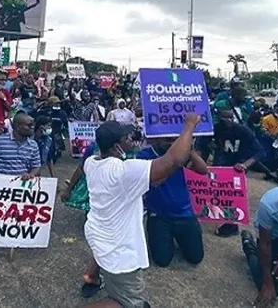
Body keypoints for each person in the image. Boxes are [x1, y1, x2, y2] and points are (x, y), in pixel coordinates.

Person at [82, 115, 199, 307]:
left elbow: (156, 176)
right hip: (119, 249)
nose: (132, 140)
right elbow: (174, 160)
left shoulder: (92, 163)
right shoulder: (124, 171)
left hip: (99, 232)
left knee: (104, 258)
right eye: (126, 139)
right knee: (127, 303)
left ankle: (93, 276)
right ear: (115, 147)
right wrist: (189, 125)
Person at [136, 137, 208, 268]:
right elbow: (154, 182)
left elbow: (203, 170)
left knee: (196, 257)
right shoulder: (144, 155)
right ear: (155, 139)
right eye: (167, 140)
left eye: (174, 140)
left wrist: (189, 150)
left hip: (185, 213)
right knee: (162, 261)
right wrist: (174, 162)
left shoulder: (183, 153)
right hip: (159, 215)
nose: (171, 143)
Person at [196, 108, 262, 237]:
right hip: (219, 167)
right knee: (219, 194)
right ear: (219, 118)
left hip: (236, 169)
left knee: (232, 197)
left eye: (231, 117)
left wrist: (244, 165)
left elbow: (259, 152)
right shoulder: (214, 129)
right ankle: (219, 217)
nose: (229, 120)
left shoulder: (242, 131)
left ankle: (231, 225)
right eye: (225, 117)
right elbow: (201, 147)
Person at [0, 112, 41, 181]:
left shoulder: (33, 145)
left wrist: (30, 175)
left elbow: (36, 166)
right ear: (18, 127)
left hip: (21, 185)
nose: (33, 127)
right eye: (29, 125)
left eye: (33, 125)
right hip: (0, 185)